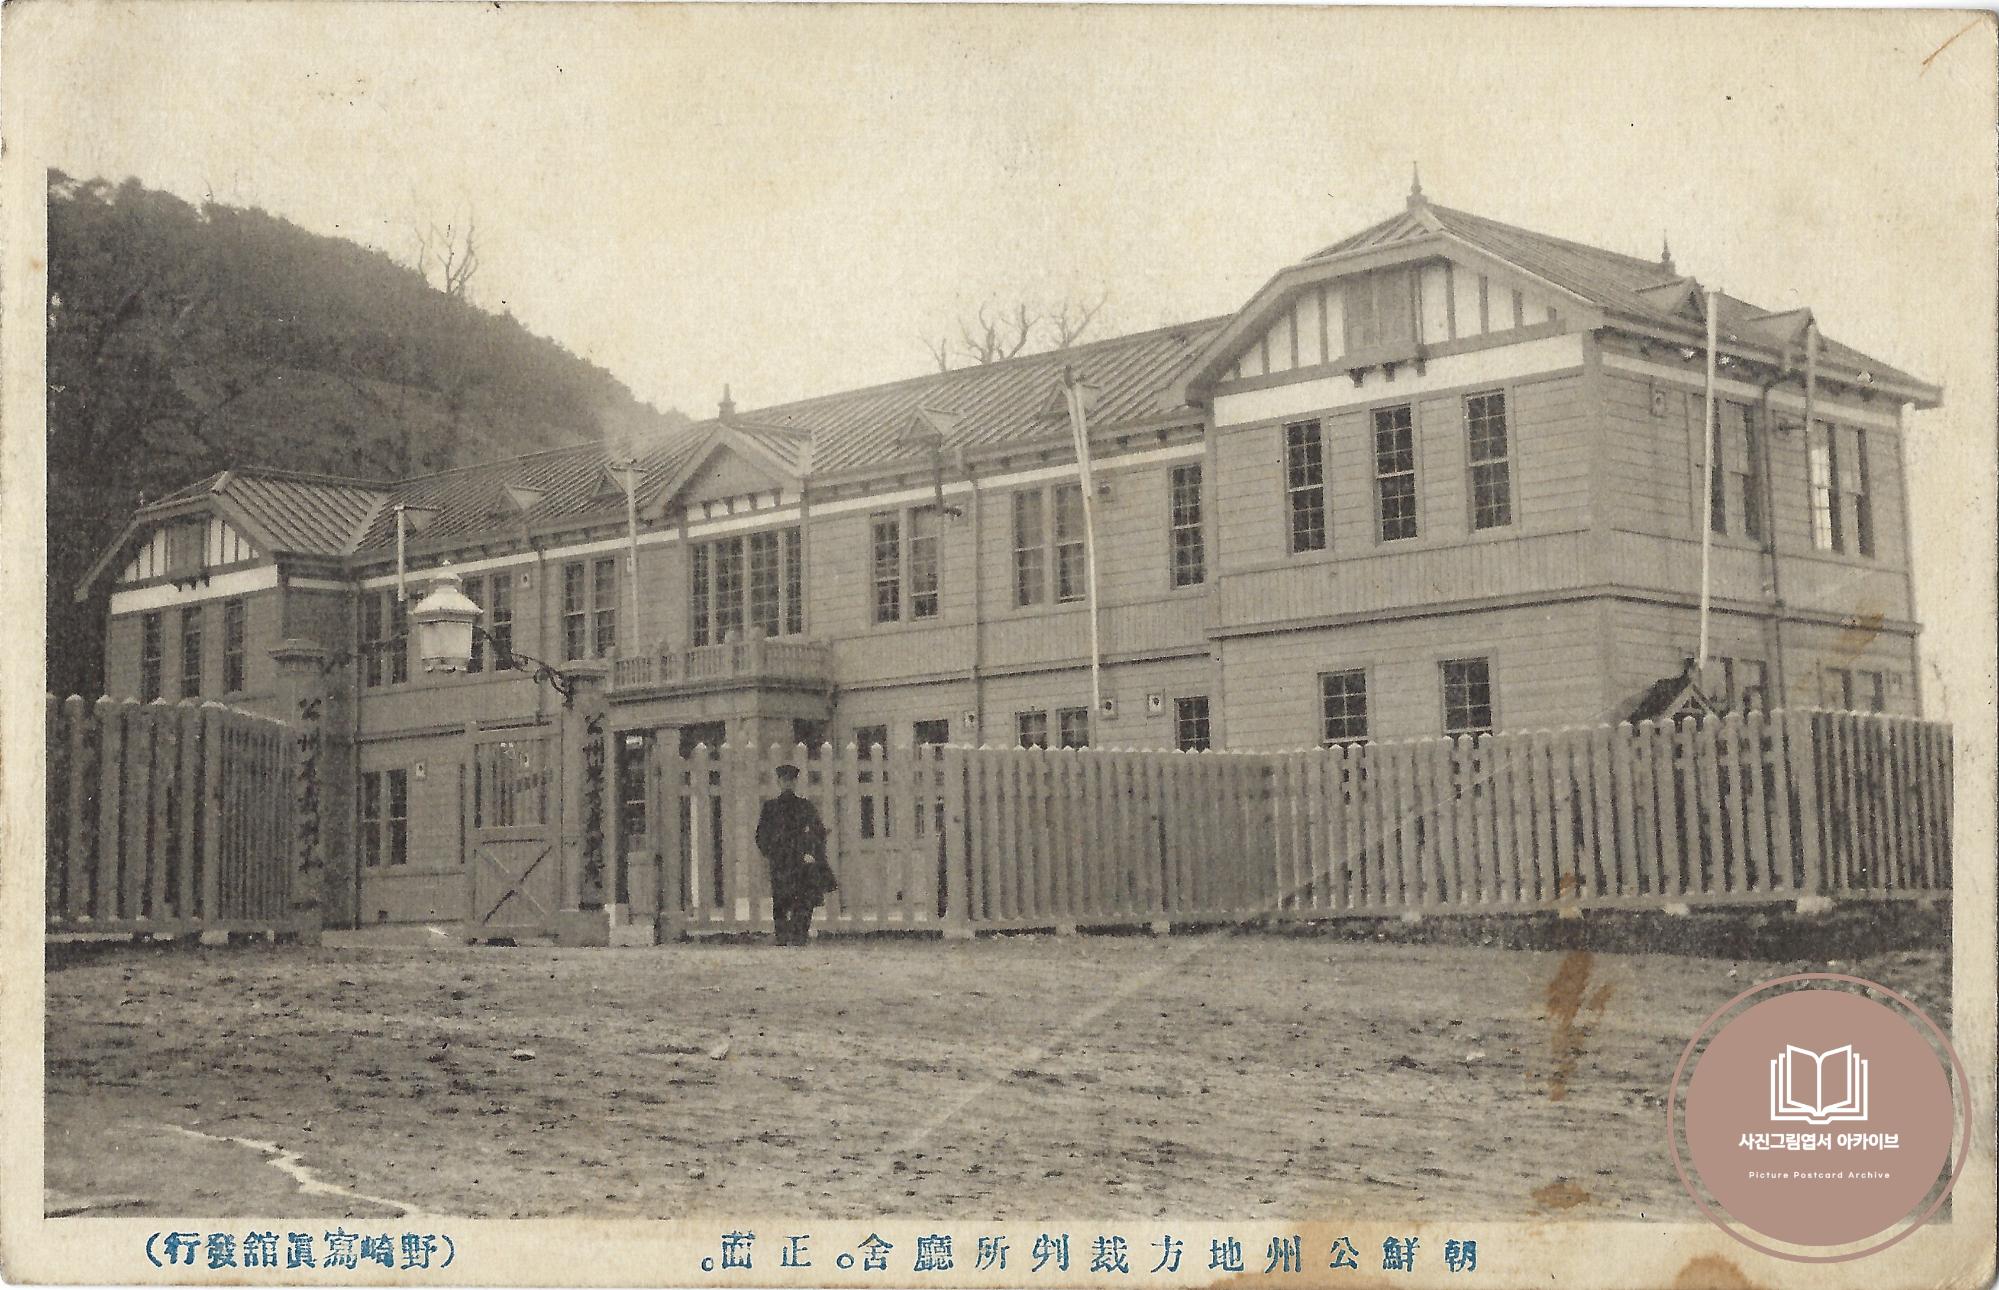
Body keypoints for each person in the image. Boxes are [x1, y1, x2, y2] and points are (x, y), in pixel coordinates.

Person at [755, 762, 834, 946]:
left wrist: (810, 851)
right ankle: (782, 936)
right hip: (780, 860)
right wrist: (772, 853)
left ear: (796, 782)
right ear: (778, 782)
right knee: (780, 898)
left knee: (803, 898)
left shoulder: (805, 806)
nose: (788, 784)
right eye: (784, 780)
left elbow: (818, 832)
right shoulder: (770, 807)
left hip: (800, 860)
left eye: (791, 780)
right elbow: (761, 835)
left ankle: (799, 936)